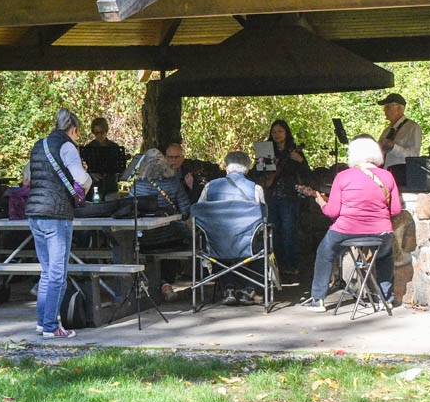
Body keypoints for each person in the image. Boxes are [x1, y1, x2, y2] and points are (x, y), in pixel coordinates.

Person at [302, 135, 402, 312]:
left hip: (346, 230)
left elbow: (332, 212)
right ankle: (385, 299)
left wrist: (321, 203)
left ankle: (318, 300)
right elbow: (395, 211)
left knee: (325, 253)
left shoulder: (343, 176)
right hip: (380, 232)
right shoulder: (387, 176)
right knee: (384, 256)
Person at [27, 108, 92, 339]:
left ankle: (42, 321)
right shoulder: (67, 146)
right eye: (78, 133)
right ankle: (51, 328)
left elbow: (28, 176)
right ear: (73, 129)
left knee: (46, 273)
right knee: (57, 275)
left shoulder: (39, 145)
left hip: (35, 213)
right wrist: (86, 178)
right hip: (57, 215)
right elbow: (82, 179)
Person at [199, 150, 266, 305]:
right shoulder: (256, 189)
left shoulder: (209, 187)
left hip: (216, 245)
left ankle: (228, 288)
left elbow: (199, 214)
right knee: (264, 245)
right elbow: (263, 221)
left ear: (226, 167)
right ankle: (249, 289)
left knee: (215, 242)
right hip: (247, 246)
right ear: (248, 169)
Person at [251, 119, 310, 277]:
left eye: (280, 131)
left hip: (289, 195)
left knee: (289, 229)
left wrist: (300, 161)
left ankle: (292, 264)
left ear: (286, 132)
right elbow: (255, 172)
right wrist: (266, 165)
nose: (277, 134)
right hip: (270, 195)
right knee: (273, 230)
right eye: (274, 131)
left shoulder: (293, 150)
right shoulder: (266, 150)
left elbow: (307, 173)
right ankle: (275, 265)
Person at [132, 147, 191, 301]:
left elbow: (130, 210)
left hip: (144, 239)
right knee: (173, 237)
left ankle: (157, 283)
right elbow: (185, 212)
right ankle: (165, 283)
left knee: (153, 244)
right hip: (171, 238)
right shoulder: (174, 183)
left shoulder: (137, 185)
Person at [80, 117, 126, 197]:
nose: (99, 135)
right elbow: (82, 168)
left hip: (111, 185)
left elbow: (119, 168)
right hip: (94, 186)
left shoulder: (114, 147)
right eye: (96, 133)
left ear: (106, 131)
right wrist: (92, 173)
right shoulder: (88, 148)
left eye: (102, 132)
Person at [377, 93, 422, 169]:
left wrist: (394, 147)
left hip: (402, 174)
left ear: (399, 109)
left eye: (388, 107)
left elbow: (414, 156)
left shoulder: (412, 127)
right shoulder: (387, 131)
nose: (384, 110)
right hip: (386, 173)